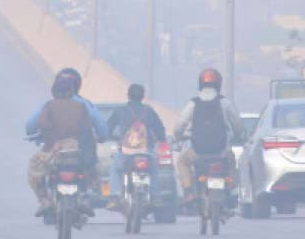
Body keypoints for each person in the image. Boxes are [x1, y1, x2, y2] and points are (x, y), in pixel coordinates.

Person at [173, 68, 245, 204]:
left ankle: (188, 192)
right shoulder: (225, 102)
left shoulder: (193, 103)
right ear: (219, 84)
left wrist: (177, 138)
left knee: (182, 162)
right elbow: (238, 125)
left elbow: (180, 124)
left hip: (198, 151)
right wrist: (237, 137)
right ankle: (231, 192)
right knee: (231, 164)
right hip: (221, 151)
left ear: (200, 83)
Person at [27, 75, 93, 217]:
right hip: (74, 149)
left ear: (54, 91)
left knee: (33, 167)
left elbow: (42, 125)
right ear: (71, 91)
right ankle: (85, 196)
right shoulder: (81, 106)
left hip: (53, 149)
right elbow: (87, 129)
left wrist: (52, 141)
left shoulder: (49, 106)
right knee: (93, 169)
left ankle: (44, 200)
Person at [105, 84, 167, 210]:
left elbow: (108, 128)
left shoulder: (120, 111)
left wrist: (109, 136)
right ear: (142, 97)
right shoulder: (149, 111)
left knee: (116, 169)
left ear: (128, 96)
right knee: (154, 170)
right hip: (146, 152)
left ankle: (115, 197)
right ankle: (155, 196)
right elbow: (160, 131)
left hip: (126, 152)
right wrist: (160, 138)